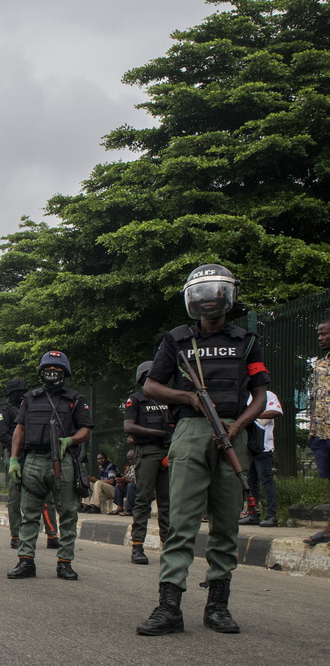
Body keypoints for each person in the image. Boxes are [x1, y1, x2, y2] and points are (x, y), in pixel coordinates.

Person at [136, 264, 269, 636]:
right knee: (181, 523)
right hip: (191, 432)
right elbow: (151, 387)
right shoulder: (176, 340)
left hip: (232, 431)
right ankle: (169, 607)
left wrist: (238, 425)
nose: (208, 301)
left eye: (216, 293)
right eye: (201, 294)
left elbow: (259, 395)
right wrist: (189, 397)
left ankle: (218, 606)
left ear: (227, 298)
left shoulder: (247, 341)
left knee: (226, 524)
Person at [7, 350, 93, 581]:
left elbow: (86, 429)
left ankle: (64, 563)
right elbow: (20, 430)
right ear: (41, 372)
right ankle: (26, 561)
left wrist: (70, 440)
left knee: (67, 513)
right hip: (33, 460)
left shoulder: (75, 399)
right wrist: (14, 459)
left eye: (57, 370)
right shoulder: (30, 398)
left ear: (64, 373)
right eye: (48, 369)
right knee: (30, 514)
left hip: (63, 460)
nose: (52, 373)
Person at [124, 360, 174, 564]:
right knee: (143, 500)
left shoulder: (170, 398)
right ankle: (137, 547)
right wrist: (158, 433)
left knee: (167, 502)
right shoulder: (136, 400)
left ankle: (169, 547)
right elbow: (129, 427)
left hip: (170, 452)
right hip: (147, 452)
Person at [240, 389, 283, 527]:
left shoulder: (267, 395)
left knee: (266, 480)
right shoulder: (244, 396)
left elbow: (276, 411)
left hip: (263, 446)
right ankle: (253, 515)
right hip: (248, 447)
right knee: (250, 482)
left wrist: (253, 415)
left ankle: (271, 516)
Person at [304, 318, 330, 546]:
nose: (320, 338)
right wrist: (312, 430)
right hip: (322, 432)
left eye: (324, 334)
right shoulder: (320, 365)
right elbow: (315, 397)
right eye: (319, 334)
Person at [0, 378, 28, 549]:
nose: (22, 395)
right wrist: (19, 445)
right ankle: (15, 535)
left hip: (30, 453)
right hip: (12, 453)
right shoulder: (5, 410)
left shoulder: (29, 407)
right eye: (18, 392)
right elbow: (3, 435)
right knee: (15, 495)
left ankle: (50, 534)